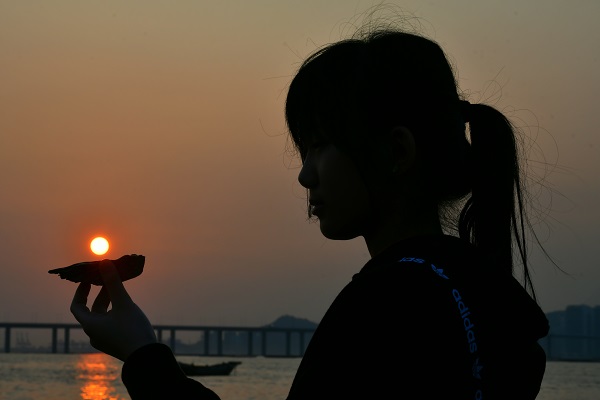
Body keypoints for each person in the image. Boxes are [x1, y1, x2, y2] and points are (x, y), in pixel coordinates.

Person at [69, 22, 550, 400]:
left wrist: (141, 355)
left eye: (320, 146)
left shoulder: (388, 306)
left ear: (395, 152)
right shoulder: (478, 296)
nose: (305, 176)